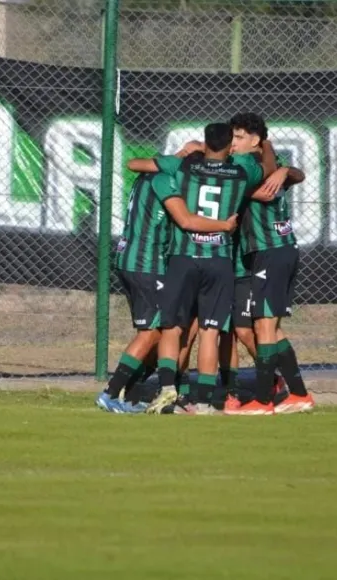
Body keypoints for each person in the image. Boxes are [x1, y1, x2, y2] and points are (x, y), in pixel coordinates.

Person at [129, 122, 273, 415]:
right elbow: (268, 167)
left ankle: (168, 388)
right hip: (219, 259)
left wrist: (188, 152)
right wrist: (265, 144)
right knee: (210, 331)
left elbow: (135, 164)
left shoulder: (183, 167)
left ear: (205, 142)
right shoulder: (243, 170)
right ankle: (206, 401)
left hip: (183, 256)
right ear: (230, 146)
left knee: (172, 326)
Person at [96, 169, 238, 413]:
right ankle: (112, 392)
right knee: (154, 332)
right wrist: (224, 225)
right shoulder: (166, 179)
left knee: (175, 328)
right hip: (146, 263)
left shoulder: (152, 174)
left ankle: (149, 392)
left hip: (136, 259)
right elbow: (186, 221)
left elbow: (135, 162)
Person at [227, 113, 315, 415]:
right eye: (232, 137)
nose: (233, 143)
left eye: (239, 137)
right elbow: (287, 173)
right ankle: (299, 395)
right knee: (271, 328)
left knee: (264, 325)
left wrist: (282, 169)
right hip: (276, 251)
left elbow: (290, 175)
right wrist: (282, 169)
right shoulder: (260, 166)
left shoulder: (249, 168)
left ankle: (263, 400)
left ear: (255, 141)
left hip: (271, 250)